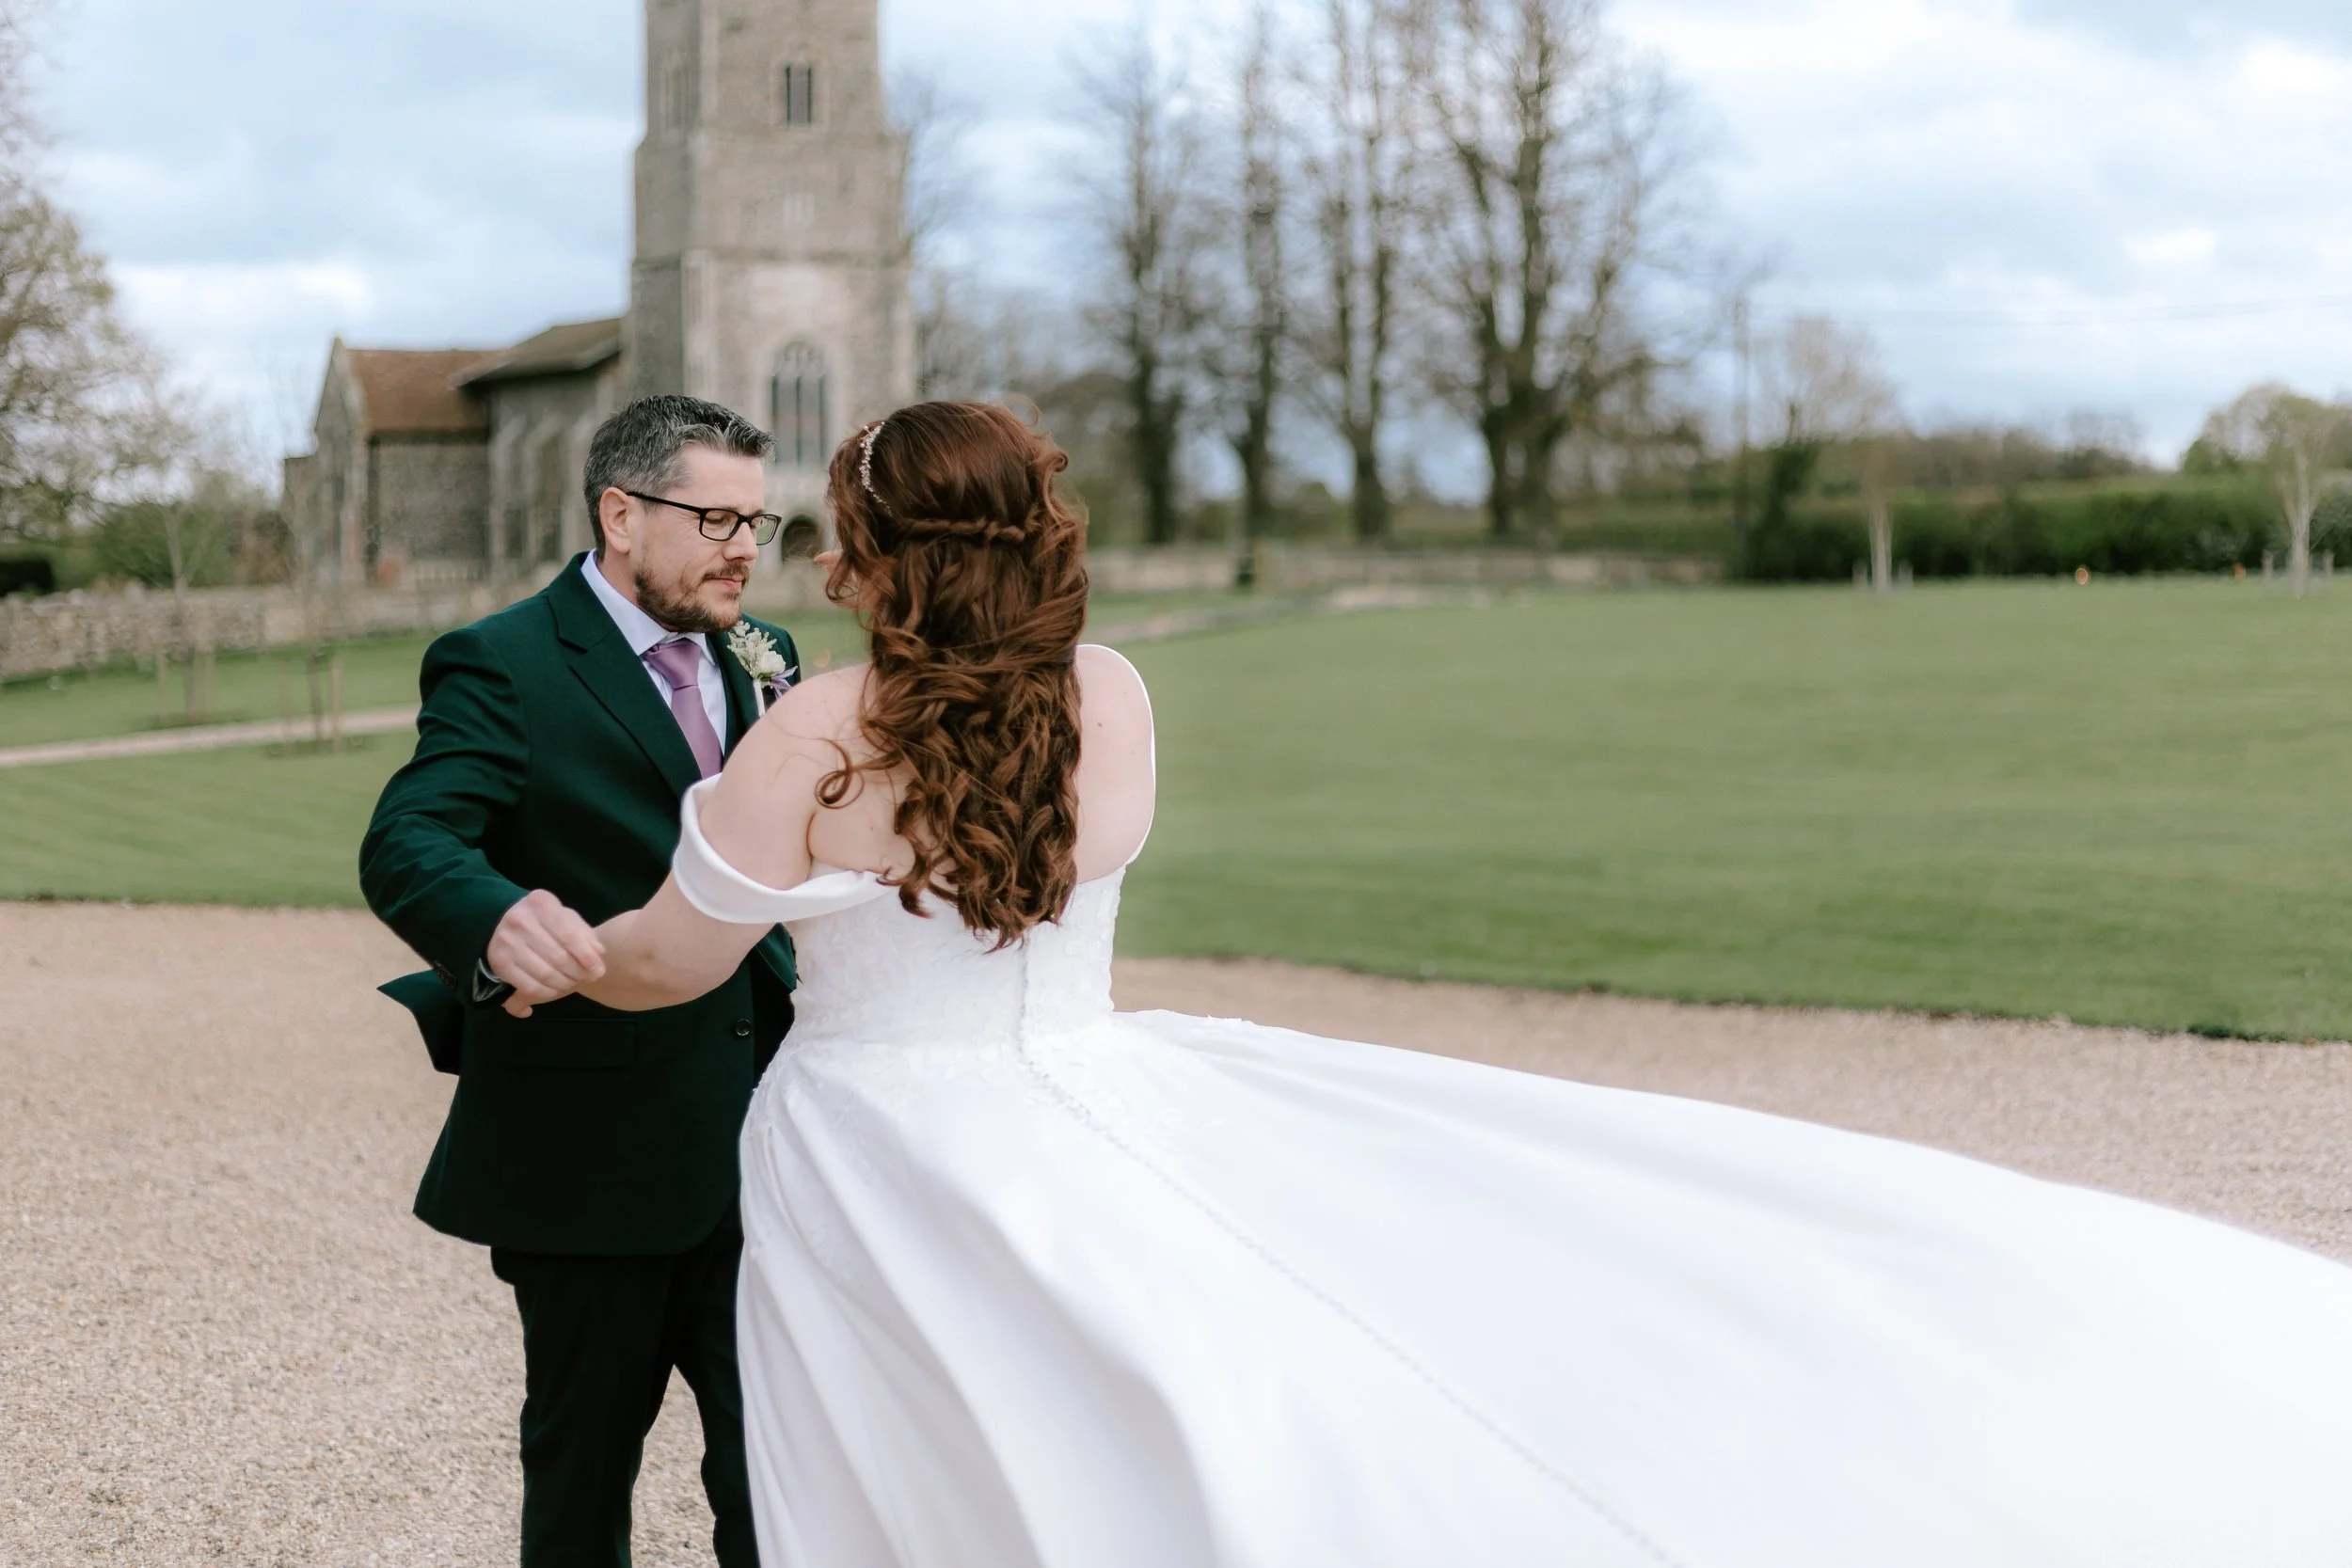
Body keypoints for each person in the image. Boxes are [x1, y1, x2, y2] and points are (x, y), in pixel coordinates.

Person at [552, 401, 2352, 1566]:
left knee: (915, 1441)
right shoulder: (1112, 696)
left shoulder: (809, 735)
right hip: (1089, 1093)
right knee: (1191, 1373)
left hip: (876, 1150)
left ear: (874, 555)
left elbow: (669, 960)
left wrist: (547, 958)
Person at [358, 394, 802, 1568]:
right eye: (716, 519)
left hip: (769, 1141)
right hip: (592, 1152)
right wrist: (496, 915)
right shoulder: (503, 661)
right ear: (620, 512)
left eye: (760, 521)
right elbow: (407, 839)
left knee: (777, 1480)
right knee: (583, 1475)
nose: (746, 548)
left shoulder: (768, 659)